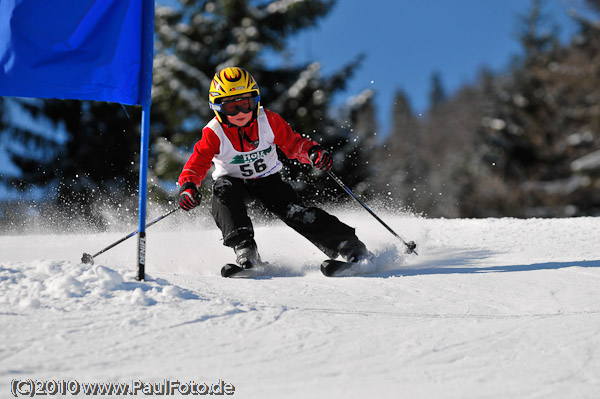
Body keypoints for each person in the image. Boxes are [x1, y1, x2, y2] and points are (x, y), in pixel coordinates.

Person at [178, 66, 369, 269]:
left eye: (246, 104)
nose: (241, 112)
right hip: (233, 183)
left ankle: (347, 244)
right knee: (222, 192)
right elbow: (197, 163)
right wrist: (188, 186)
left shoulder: (267, 121)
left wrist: (313, 152)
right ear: (218, 108)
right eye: (232, 108)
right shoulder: (214, 132)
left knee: (295, 212)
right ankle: (245, 248)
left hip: (267, 181)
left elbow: (293, 143)